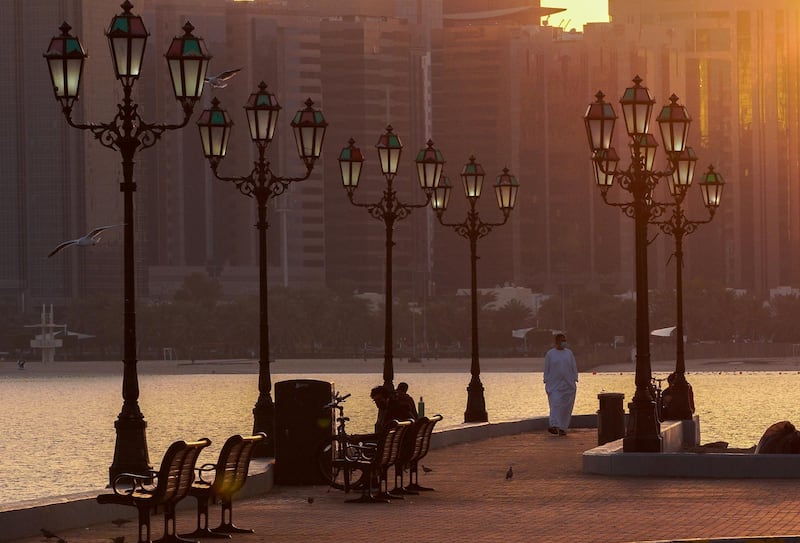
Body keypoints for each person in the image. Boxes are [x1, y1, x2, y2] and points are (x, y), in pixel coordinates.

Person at [543, 333, 578, 436]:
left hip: (568, 385)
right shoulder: (550, 354)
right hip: (554, 385)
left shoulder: (569, 353)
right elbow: (547, 368)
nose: (564, 342)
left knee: (566, 407)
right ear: (556, 342)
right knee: (555, 404)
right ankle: (553, 425)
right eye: (562, 341)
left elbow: (573, 367)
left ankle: (563, 427)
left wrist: (574, 378)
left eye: (565, 340)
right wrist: (546, 380)